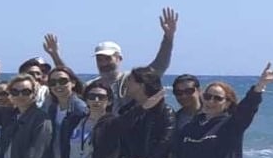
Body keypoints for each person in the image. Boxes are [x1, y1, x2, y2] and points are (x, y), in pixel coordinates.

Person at [43, 8, 177, 109]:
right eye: (99, 59)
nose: (103, 63)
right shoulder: (92, 86)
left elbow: (159, 66)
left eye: (108, 58)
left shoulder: (131, 80)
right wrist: (55, 55)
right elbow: (70, 80)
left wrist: (168, 38)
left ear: (119, 58)